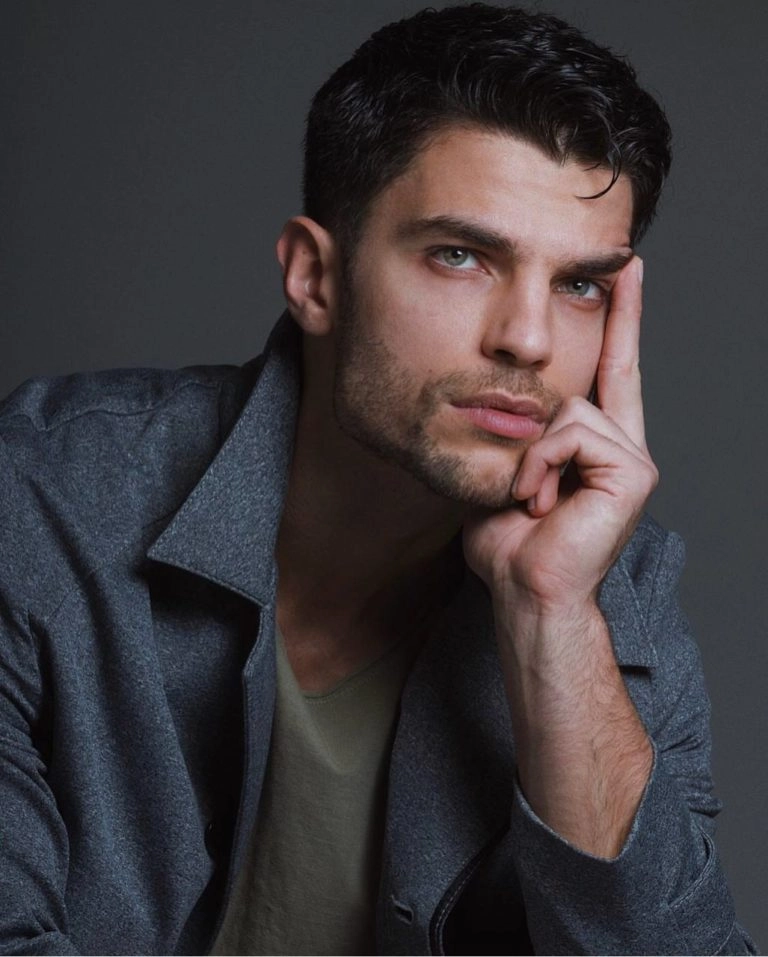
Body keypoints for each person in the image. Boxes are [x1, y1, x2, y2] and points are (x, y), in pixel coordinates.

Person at [0, 4, 755, 955]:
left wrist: (551, 622)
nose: (527, 339)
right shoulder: (44, 499)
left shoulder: (613, 597)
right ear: (315, 277)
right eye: (460, 256)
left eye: (580, 286)